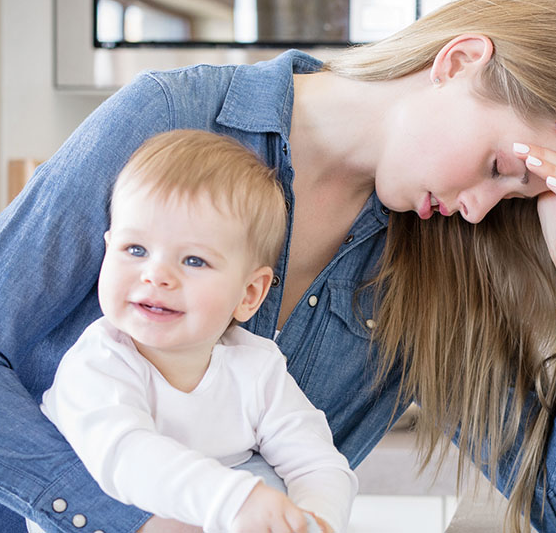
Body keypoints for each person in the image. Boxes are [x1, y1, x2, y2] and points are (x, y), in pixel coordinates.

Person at [0, 0, 556, 533]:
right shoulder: (173, 118)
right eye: (494, 168)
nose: (482, 206)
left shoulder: (440, 264)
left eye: (514, 197)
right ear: (460, 61)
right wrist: (136, 522)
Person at [25, 130, 354, 533]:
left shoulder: (257, 368)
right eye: (135, 250)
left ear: (249, 294)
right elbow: (127, 456)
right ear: (107, 249)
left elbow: (318, 463)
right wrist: (236, 501)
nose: (157, 275)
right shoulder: (97, 363)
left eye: (194, 260)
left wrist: (315, 520)